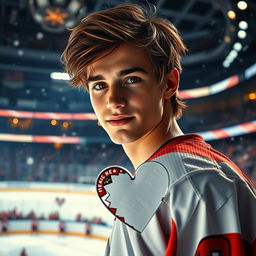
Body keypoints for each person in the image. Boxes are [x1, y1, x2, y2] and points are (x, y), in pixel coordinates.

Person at [62, 3, 256, 256]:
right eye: (99, 85)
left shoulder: (190, 186)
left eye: (131, 80)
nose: (113, 100)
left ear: (169, 83)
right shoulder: (183, 177)